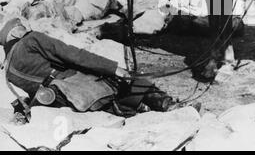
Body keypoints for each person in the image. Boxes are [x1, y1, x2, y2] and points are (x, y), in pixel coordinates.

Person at [0, 18, 176, 121]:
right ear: (15, 34)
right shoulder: (31, 40)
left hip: (56, 103)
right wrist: (113, 68)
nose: (28, 28)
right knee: (124, 80)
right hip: (73, 87)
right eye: (22, 26)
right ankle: (169, 105)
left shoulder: (7, 71)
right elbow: (73, 54)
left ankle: (141, 112)